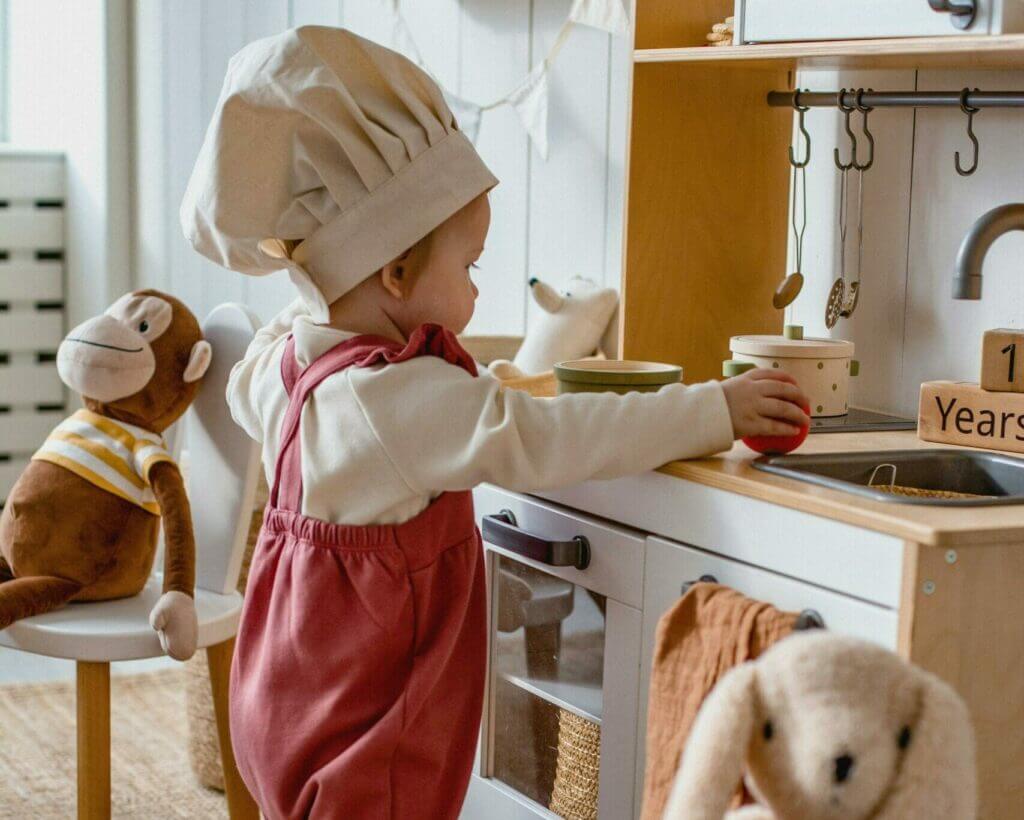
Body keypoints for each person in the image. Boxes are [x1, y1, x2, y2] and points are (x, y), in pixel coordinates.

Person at [181, 26, 809, 820]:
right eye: (470, 267)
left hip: (282, 703)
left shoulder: (283, 373)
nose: (477, 293)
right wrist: (712, 409)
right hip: (375, 727)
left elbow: (264, 375)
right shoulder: (396, 401)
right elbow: (549, 439)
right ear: (397, 271)